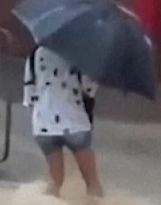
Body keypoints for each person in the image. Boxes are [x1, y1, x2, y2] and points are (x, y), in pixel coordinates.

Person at [24, 45, 104, 197]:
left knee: (55, 182)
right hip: (74, 122)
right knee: (91, 180)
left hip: (43, 124)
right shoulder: (81, 54)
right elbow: (88, 90)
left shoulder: (34, 55)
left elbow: (29, 96)